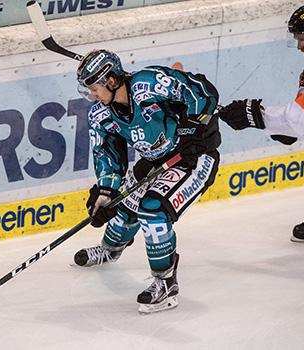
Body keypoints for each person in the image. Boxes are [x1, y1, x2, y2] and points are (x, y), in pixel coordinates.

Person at [73, 49, 221, 313]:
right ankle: (111, 249)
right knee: (123, 206)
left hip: (192, 159)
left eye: (94, 89)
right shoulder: (100, 115)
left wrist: (193, 129)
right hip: (155, 161)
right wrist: (105, 193)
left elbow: (200, 90)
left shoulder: (149, 83)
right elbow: (106, 154)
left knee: (153, 210)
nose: (92, 96)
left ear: (110, 81)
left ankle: (165, 283)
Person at [217, 3, 304, 242]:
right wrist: (300, 130)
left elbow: (298, 120)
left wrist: (256, 116)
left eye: (303, 38)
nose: (299, 46)